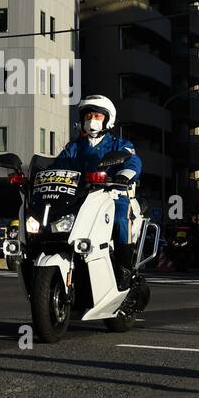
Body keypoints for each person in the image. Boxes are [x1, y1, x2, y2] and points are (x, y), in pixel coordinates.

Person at [53, 95, 142, 288]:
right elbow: (58, 166)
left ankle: (125, 269)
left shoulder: (120, 144)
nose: (91, 120)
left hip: (113, 195)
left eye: (97, 116)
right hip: (80, 197)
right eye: (88, 116)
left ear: (107, 120)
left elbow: (133, 161)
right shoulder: (73, 147)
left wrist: (124, 176)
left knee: (119, 219)